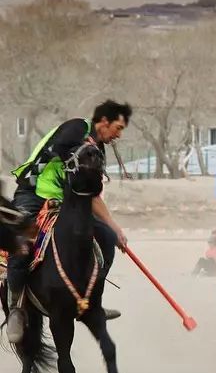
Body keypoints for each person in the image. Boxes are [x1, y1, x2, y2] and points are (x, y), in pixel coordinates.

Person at [6, 100, 132, 343]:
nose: (118, 135)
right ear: (103, 122)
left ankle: (93, 301)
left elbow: (91, 194)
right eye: (117, 127)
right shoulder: (76, 129)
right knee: (22, 244)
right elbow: (62, 152)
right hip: (34, 193)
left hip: (66, 202)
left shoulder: (97, 150)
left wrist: (115, 228)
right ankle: (16, 308)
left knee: (104, 236)